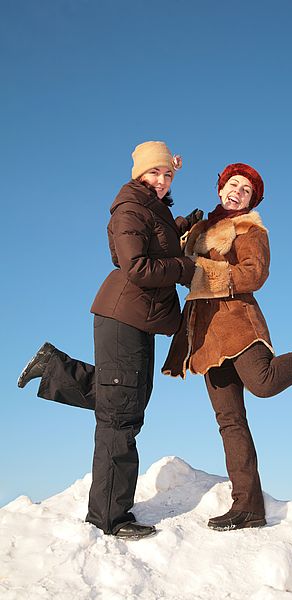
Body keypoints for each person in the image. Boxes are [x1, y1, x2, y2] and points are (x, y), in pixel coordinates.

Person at [162, 162, 292, 531]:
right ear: (220, 188)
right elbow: (172, 256)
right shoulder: (201, 229)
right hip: (204, 336)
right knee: (230, 422)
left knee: (264, 382)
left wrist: (203, 272)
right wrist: (180, 228)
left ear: (251, 199)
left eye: (246, 190)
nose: (237, 192)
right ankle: (247, 507)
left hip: (236, 324)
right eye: (233, 184)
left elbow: (254, 274)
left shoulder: (250, 228)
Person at [17, 141, 202, 540]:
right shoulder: (130, 208)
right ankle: (109, 518)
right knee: (120, 415)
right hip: (123, 316)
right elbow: (135, 265)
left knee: (130, 398)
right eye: (154, 173)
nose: (162, 179)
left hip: (139, 318)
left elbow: (155, 240)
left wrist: (184, 224)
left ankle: (54, 368)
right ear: (139, 174)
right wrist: (185, 268)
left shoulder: (152, 208)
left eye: (168, 174)